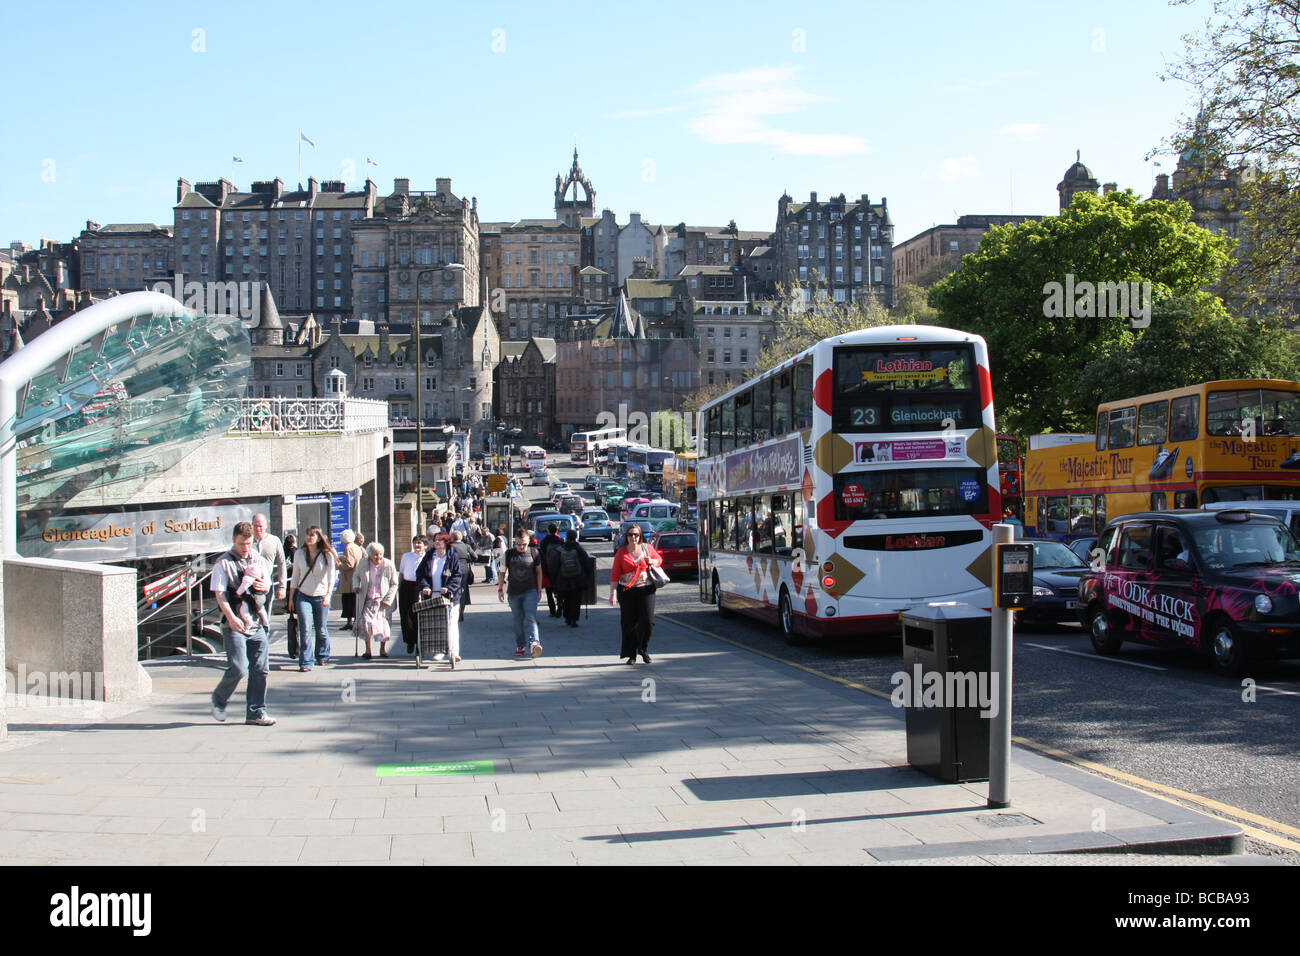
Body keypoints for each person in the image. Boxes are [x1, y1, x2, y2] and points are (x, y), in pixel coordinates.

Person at [211, 521, 275, 725]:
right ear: (233, 540)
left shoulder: (257, 558)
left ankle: (256, 712)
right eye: (241, 544)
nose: (245, 548)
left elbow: (267, 584)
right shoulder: (223, 563)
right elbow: (220, 595)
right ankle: (219, 700)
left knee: (261, 669)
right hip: (234, 623)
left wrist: (265, 586)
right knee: (239, 667)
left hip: (256, 620)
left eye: (248, 543)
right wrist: (231, 618)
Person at [609, 524, 664, 664]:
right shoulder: (621, 552)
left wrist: (652, 561)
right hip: (627, 591)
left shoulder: (647, 548)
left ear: (640, 536)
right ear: (626, 537)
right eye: (630, 535)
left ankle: (643, 648)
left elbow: (659, 560)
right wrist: (613, 593)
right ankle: (631, 654)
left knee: (648, 622)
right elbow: (615, 574)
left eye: (636, 535)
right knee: (629, 623)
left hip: (646, 589)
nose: (633, 537)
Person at [290, 526, 338, 671]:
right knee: (305, 628)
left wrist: (328, 595)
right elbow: (295, 577)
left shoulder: (327, 555)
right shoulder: (299, 553)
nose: (309, 538)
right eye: (307, 535)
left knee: (321, 629)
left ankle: (322, 655)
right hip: (304, 595)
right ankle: (306, 661)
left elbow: (331, 577)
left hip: (321, 596)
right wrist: (291, 598)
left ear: (318, 538)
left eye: (312, 535)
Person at [417, 532, 464, 664]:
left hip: (450, 597)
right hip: (433, 595)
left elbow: (457, 575)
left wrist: (449, 588)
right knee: (437, 623)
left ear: (446, 542)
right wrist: (425, 586)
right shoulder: (429, 556)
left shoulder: (452, 556)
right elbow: (420, 573)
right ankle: (439, 650)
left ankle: (454, 651)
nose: (436, 542)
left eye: (440, 540)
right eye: (435, 540)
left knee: (451, 623)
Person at [499, 526, 543, 658]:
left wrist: (539, 589)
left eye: (523, 544)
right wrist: (500, 589)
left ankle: (534, 643)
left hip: (530, 591)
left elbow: (539, 572)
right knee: (518, 620)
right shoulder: (508, 554)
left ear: (528, 541)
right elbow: (502, 572)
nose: (521, 547)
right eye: (518, 544)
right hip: (513, 592)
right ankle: (520, 644)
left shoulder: (534, 553)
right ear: (515, 542)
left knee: (531, 617)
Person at [354, 541, 400, 659]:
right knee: (366, 623)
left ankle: (382, 649)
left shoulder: (388, 565)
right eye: (375, 554)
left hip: (383, 600)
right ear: (369, 555)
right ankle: (368, 650)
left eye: (380, 554)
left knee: (383, 625)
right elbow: (356, 575)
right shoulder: (363, 563)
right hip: (368, 599)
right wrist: (356, 585)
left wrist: (388, 600)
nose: (378, 557)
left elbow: (394, 584)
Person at [548, 529, 592, 628]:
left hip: (563, 579)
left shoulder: (560, 549)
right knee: (576, 600)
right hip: (578, 579)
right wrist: (587, 577)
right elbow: (587, 563)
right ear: (575, 537)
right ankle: (574, 619)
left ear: (566, 537)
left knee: (566, 599)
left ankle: (567, 617)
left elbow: (554, 565)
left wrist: (553, 580)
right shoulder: (579, 549)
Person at [252, 513, 287, 614]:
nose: (258, 529)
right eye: (255, 526)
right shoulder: (248, 541)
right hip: (250, 584)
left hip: (267, 584)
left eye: (260, 526)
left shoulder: (274, 540)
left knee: (265, 616)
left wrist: (282, 587)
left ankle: (265, 629)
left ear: (266, 525)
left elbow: (281, 563)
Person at [398, 534, 426, 654]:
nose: (417, 545)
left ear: (425, 546)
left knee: (418, 615)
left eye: (420, 543)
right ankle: (410, 641)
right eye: (415, 543)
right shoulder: (406, 556)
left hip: (419, 586)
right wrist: (400, 587)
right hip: (406, 586)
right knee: (406, 615)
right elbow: (402, 573)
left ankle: (419, 643)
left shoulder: (427, 558)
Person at [338, 530, 364, 631]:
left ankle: (350, 622)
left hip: (349, 578)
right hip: (356, 577)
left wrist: (339, 565)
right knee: (353, 601)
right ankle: (354, 621)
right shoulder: (356, 547)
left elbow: (349, 564)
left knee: (348, 601)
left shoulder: (348, 548)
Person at [538, 522, 564, 618]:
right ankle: (560, 607)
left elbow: (542, 555)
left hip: (547, 568)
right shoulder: (560, 541)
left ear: (548, 530)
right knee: (559, 590)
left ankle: (552, 610)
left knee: (549, 591)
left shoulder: (544, 541)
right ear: (556, 530)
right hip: (559, 568)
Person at [450, 529, 475, 624]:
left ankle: (455, 610)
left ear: (452, 537)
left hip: (453, 569)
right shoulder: (466, 546)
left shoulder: (450, 547)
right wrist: (467, 559)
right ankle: (461, 611)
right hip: (464, 569)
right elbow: (475, 556)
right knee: (463, 590)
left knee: (454, 588)